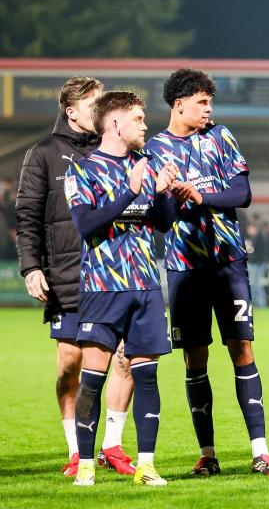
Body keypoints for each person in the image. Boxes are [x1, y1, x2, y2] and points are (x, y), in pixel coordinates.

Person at [145, 68, 269, 476]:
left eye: (210, 102)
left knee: (242, 348)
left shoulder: (221, 137)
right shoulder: (154, 151)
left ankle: (261, 450)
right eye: (202, 103)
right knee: (195, 358)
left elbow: (242, 193)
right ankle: (207, 453)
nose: (209, 109)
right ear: (179, 104)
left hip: (228, 263)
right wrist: (168, 191)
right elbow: (162, 219)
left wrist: (199, 194)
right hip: (184, 266)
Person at [15, 77, 136, 477]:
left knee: (125, 361)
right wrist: (31, 267)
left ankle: (112, 446)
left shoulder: (117, 149)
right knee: (71, 363)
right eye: (92, 103)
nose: (99, 107)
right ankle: (74, 448)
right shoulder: (44, 154)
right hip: (68, 275)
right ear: (71, 111)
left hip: (115, 272)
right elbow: (28, 217)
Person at [64, 90, 178, 486]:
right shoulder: (83, 170)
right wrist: (130, 191)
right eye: (139, 119)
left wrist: (163, 193)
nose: (146, 126)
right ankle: (86, 465)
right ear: (115, 123)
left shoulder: (146, 165)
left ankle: (146, 465)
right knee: (92, 380)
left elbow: (162, 224)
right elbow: (86, 225)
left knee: (147, 377)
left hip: (145, 286)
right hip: (103, 287)